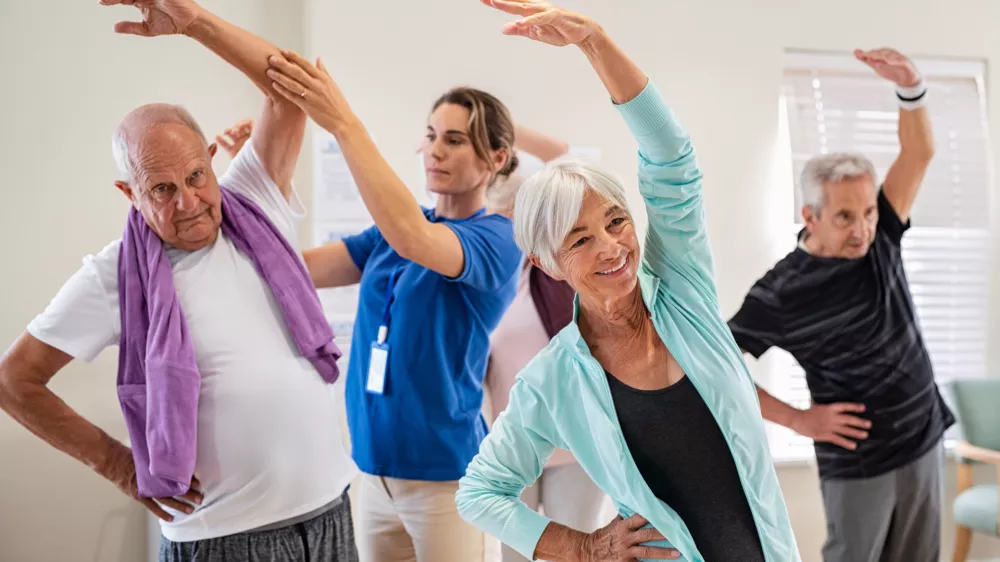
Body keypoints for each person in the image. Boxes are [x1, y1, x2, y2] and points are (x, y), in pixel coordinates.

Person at [0, 1, 358, 561]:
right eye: (162, 189)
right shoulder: (113, 275)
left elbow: (289, 86)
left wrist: (197, 24)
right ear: (130, 194)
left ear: (213, 160)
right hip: (225, 542)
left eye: (196, 176)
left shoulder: (253, 203)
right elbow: (14, 381)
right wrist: (119, 466)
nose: (189, 202)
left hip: (330, 517)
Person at [454, 2, 800, 561]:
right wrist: (583, 547)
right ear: (548, 263)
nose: (612, 247)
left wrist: (595, 42)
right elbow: (480, 493)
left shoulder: (684, 293)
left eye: (615, 221)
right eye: (580, 238)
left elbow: (672, 161)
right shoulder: (554, 379)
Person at [265, 42, 522, 562]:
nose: (435, 151)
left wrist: (343, 125)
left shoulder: (496, 239)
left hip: (446, 481)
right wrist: (258, 186)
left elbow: (411, 237)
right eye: (430, 137)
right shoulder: (396, 232)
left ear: (496, 158)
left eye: (454, 140)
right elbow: (295, 269)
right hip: (372, 469)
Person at [728, 48, 950, 562]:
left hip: (922, 434)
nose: (863, 228)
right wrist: (799, 420)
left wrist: (911, 86)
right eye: (846, 217)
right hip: (859, 461)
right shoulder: (780, 291)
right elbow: (716, 367)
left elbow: (918, 155)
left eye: (869, 211)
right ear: (810, 214)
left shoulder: (882, 238)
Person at [483, 128, 611, 562]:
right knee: (514, 557)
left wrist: (501, 127)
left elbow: (564, 155)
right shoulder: (489, 277)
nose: (501, 221)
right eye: (495, 213)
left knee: (576, 554)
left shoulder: (562, 268)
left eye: (508, 212)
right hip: (512, 445)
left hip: (576, 445)